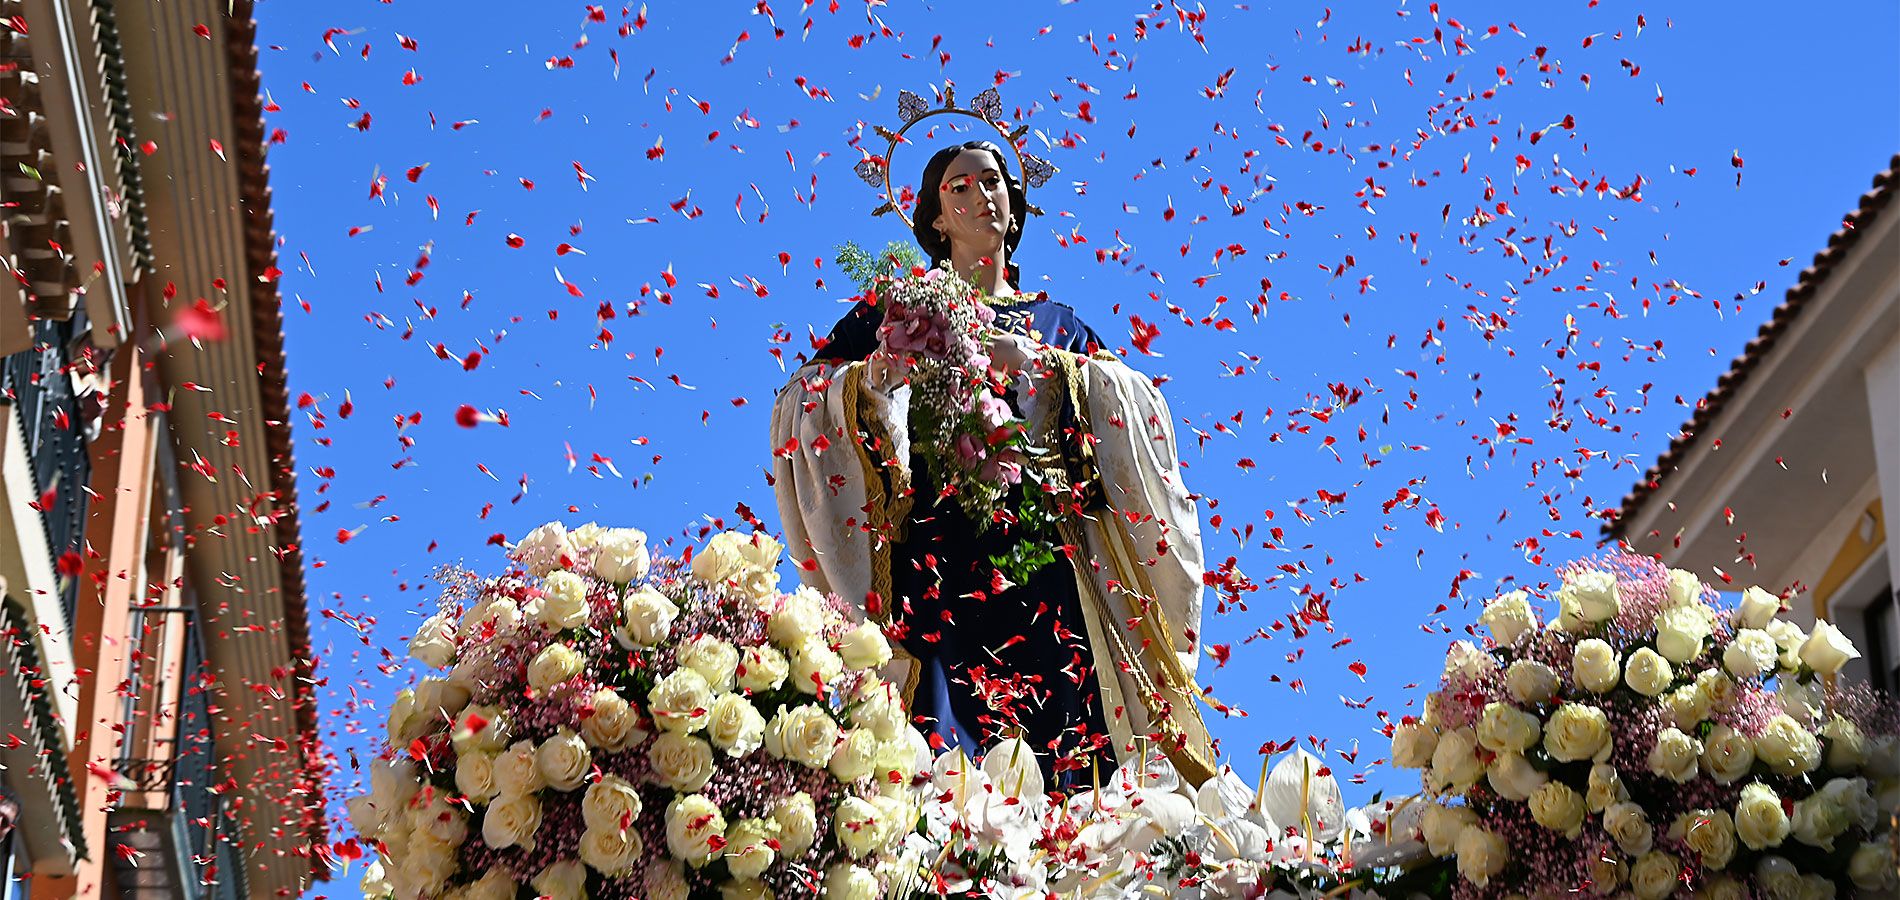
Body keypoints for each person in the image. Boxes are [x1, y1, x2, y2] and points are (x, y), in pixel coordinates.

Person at [770, 139, 1215, 787]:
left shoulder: (1057, 324)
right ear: (935, 218)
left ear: (1014, 205)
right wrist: (875, 379)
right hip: (936, 559)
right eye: (960, 187)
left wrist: (1043, 369)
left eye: (994, 182)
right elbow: (799, 403)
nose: (982, 195)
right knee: (944, 747)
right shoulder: (898, 311)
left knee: (1068, 740)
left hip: (1046, 563)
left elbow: (1140, 417)